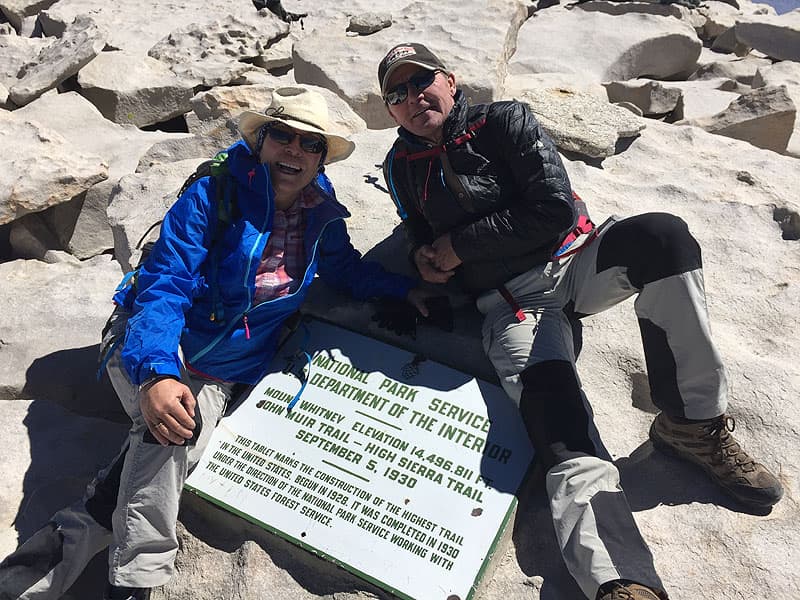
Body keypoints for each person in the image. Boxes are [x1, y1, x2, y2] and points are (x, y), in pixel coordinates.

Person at [377, 43, 784, 600]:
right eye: (396, 94)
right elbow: (418, 231)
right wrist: (426, 264)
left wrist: (458, 245)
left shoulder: (504, 121)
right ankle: (621, 580)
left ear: (450, 80)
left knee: (662, 238)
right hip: (513, 303)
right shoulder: (400, 167)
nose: (412, 97)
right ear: (390, 111)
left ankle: (691, 424)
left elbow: (553, 208)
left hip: (577, 262)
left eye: (421, 81)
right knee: (561, 424)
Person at [0, 86, 430, 600]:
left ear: (322, 160)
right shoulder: (213, 194)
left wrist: (408, 289)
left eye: (309, 144)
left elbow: (343, 270)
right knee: (172, 432)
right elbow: (164, 286)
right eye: (281, 136)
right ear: (261, 140)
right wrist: (157, 373)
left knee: (173, 440)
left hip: (225, 371)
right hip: (156, 342)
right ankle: (137, 582)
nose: (293, 151)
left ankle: (52, 553)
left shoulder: (321, 213)